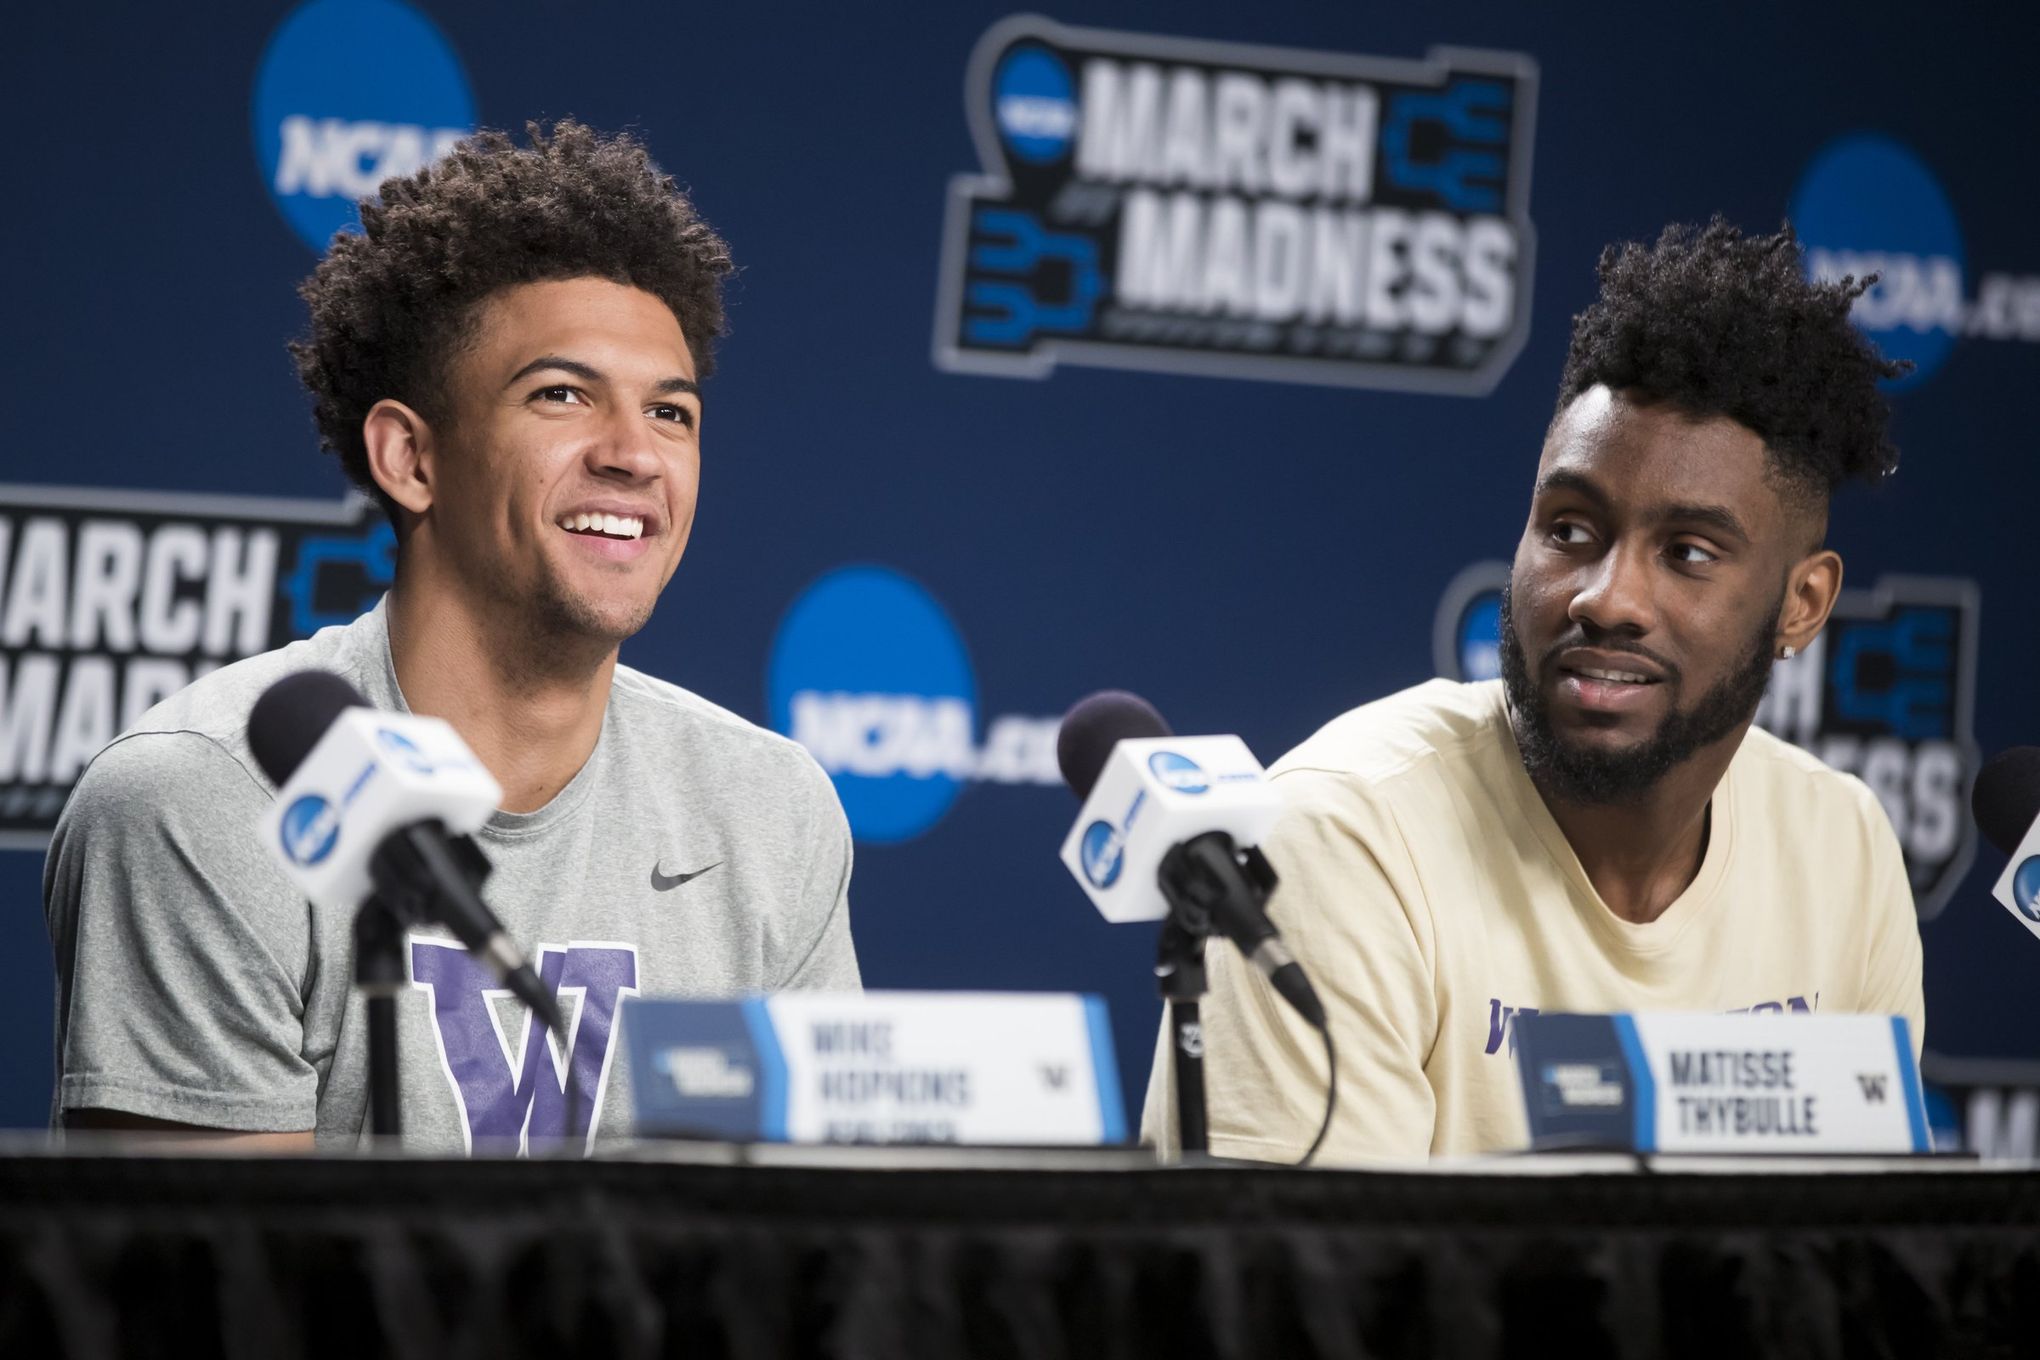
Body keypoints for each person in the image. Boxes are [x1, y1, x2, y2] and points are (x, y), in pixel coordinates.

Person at [45, 122, 860, 1154]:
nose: (634, 455)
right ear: (410, 457)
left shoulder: (770, 810)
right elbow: (223, 1302)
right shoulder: (204, 800)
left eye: (671, 412)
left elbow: (827, 1260)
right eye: (562, 395)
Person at [1143, 220, 1924, 1162]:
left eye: (1687, 553)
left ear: (1802, 605)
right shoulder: (1338, 837)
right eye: (1569, 529)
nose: (1607, 597)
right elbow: (1302, 1300)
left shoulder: (1839, 845)